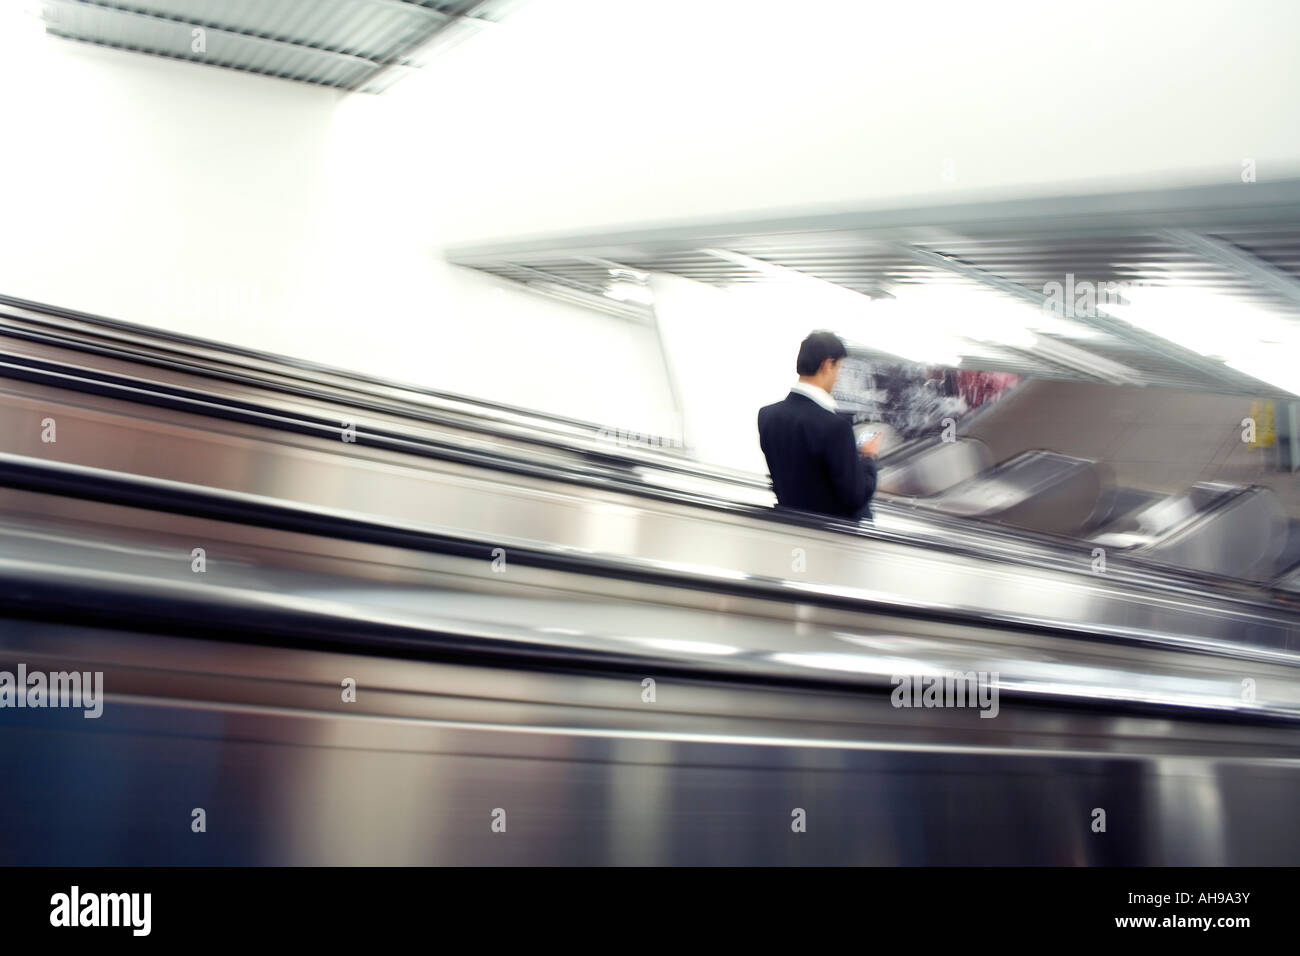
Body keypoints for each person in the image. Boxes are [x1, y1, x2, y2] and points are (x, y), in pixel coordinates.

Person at [757, 331, 880, 521]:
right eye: (839, 368)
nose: (837, 378)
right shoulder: (836, 427)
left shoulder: (767, 415)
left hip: (787, 524)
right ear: (827, 365)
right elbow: (856, 497)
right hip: (833, 536)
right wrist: (868, 458)